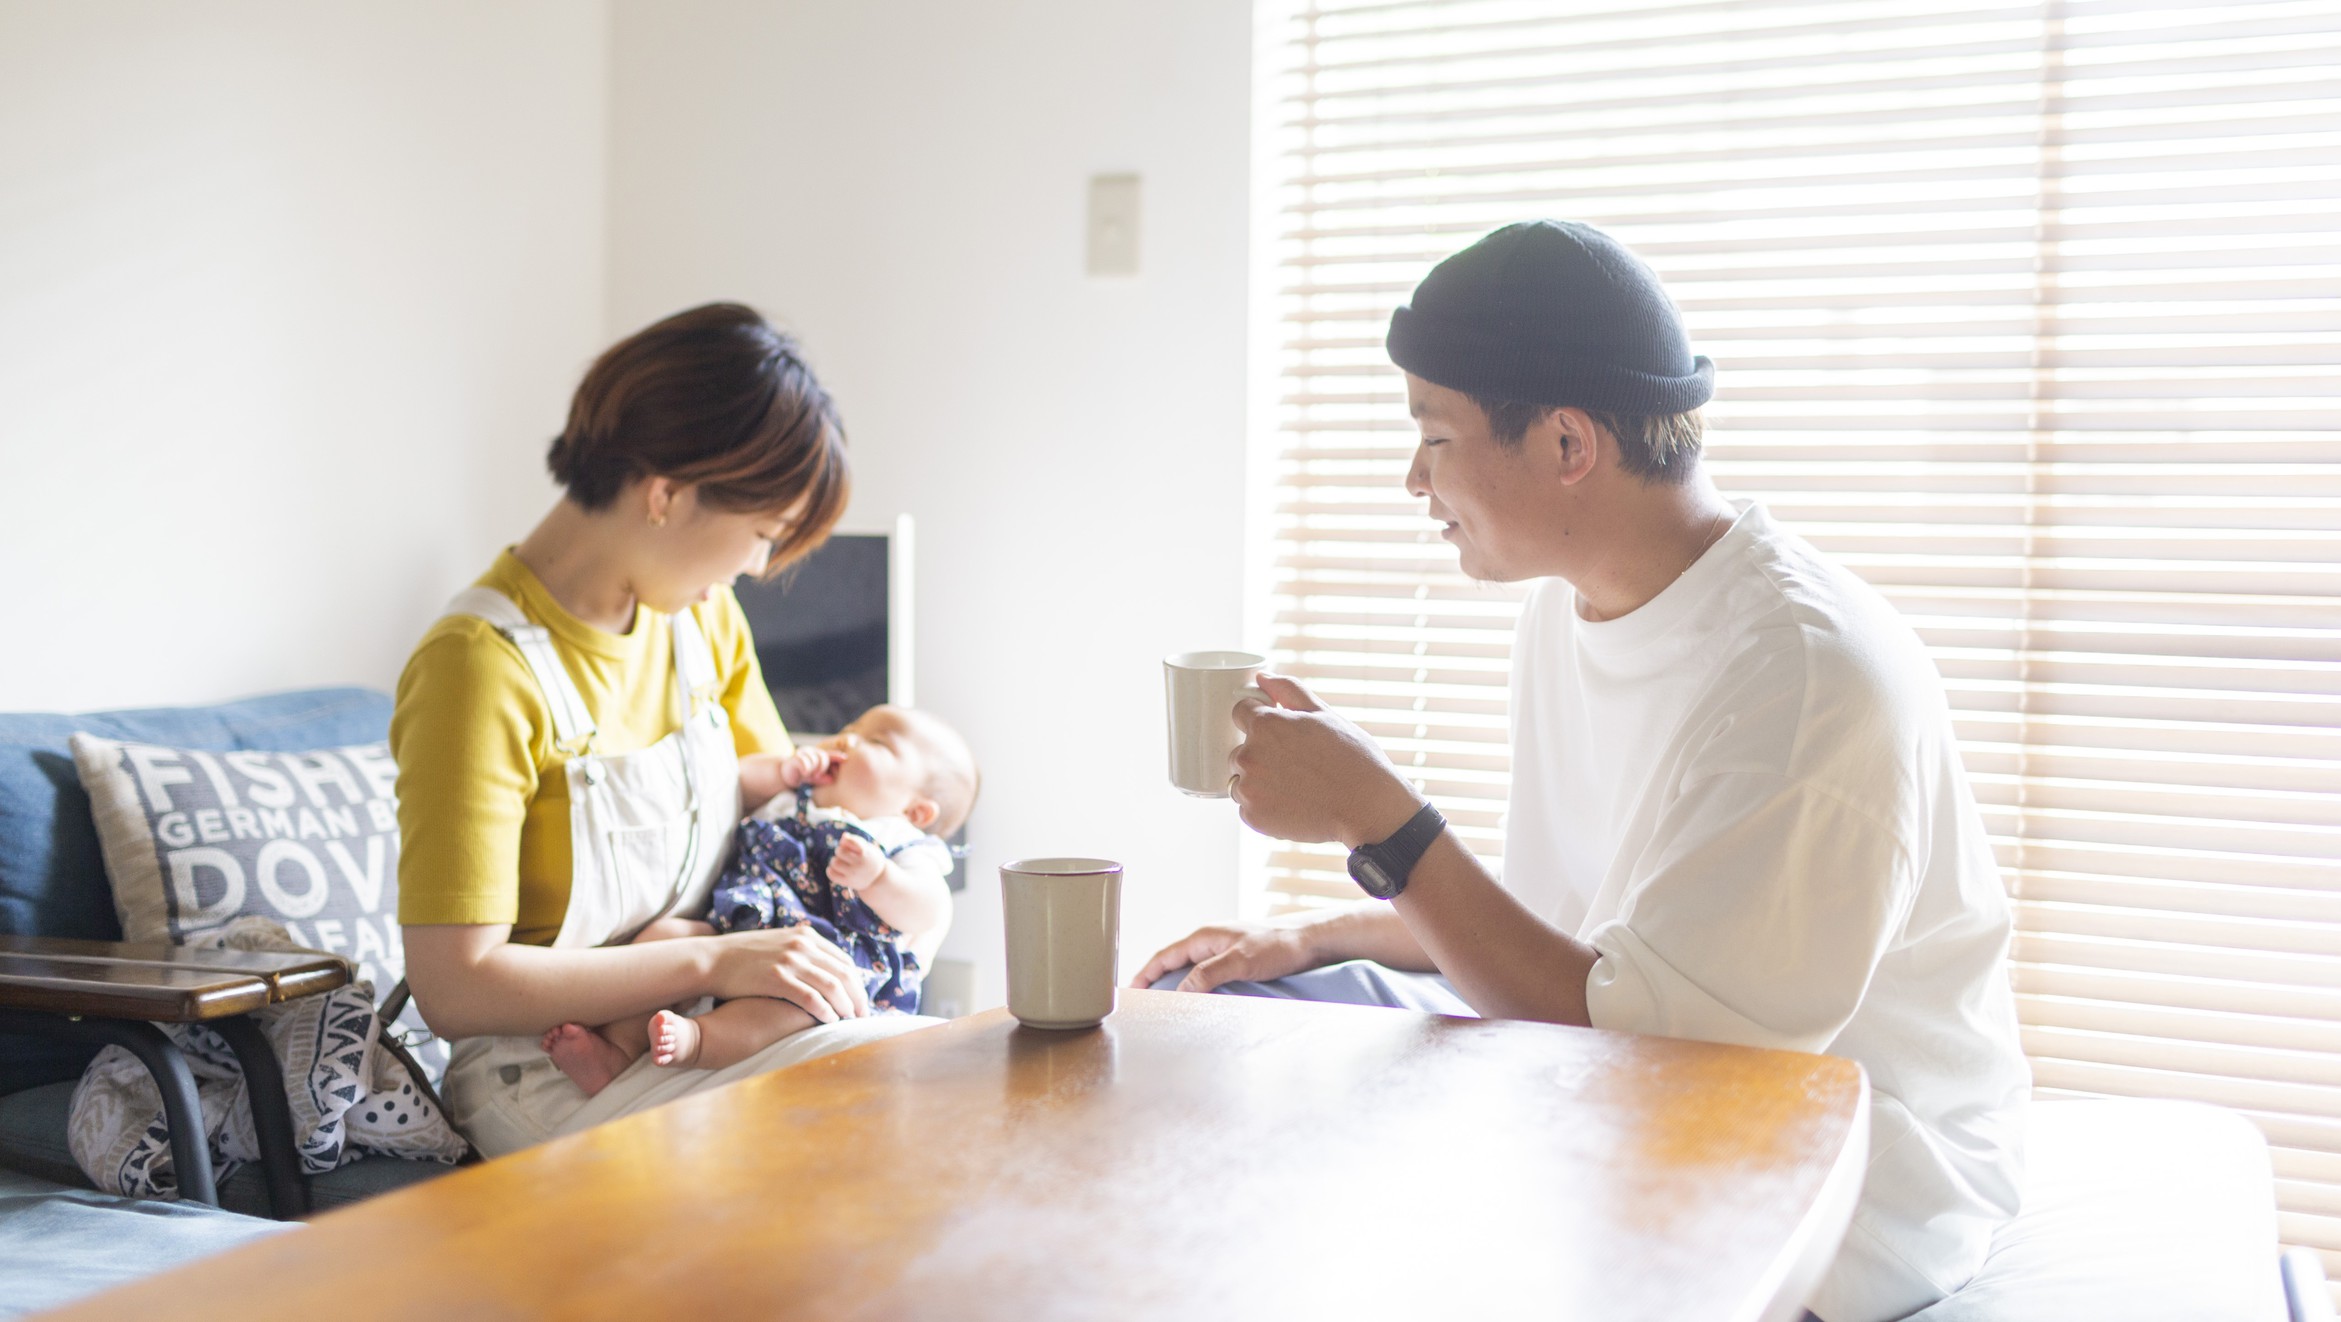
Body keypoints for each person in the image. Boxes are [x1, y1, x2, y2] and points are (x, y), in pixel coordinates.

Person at [1135, 221, 2029, 1322]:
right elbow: (1573, 935)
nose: (1411, 478)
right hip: (1638, 1085)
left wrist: (1382, 820)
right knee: (1234, 1058)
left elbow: (1659, 1057)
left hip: (1838, 1191)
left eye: (1434, 435)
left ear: (1567, 443)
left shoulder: (1801, 680)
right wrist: (1315, 934)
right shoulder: (1577, 609)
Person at [393, 303, 939, 1160]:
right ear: (667, 493)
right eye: (760, 534)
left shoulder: (700, 623)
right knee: (893, 1092)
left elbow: (788, 820)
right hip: (543, 1073)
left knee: (944, 1067)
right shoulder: (479, 666)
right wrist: (715, 966)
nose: (759, 568)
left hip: (710, 1030)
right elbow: (454, 988)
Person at [539, 703, 978, 1095]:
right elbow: (739, 781)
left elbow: (929, 909)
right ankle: (616, 1050)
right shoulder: (797, 795)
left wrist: (879, 877)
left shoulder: (897, 839)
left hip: (820, 967)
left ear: (916, 811)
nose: (849, 738)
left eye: (876, 742)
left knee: (787, 1009)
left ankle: (699, 1041)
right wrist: (784, 770)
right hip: (733, 929)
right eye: (852, 726)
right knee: (665, 935)